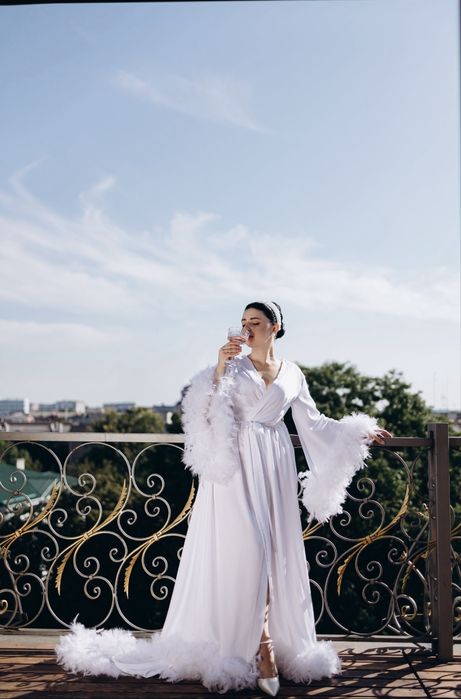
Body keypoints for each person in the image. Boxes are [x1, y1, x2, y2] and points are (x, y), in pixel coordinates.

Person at [56, 301, 391, 696]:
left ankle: (265, 644)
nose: (247, 329)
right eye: (244, 322)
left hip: (275, 464)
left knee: (275, 554)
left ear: (275, 327)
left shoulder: (293, 373)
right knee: (251, 553)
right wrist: (218, 368)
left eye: (256, 322)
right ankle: (263, 647)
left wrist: (357, 431)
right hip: (234, 468)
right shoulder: (231, 366)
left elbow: (313, 423)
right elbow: (203, 411)